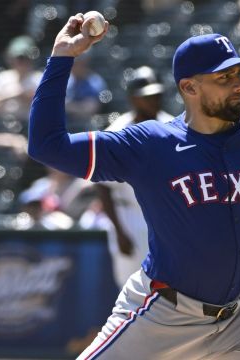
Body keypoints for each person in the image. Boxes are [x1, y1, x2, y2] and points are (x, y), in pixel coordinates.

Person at [28, 14, 240, 359]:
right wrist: (62, 57)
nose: (238, 84)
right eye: (224, 77)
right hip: (163, 314)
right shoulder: (150, 144)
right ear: (189, 88)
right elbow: (46, 146)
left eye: (238, 74)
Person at [95, 65, 173, 287]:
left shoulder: (174, 127)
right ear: (133, 99)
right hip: (129, 215)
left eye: (157, 95)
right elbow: (102, 186)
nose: (154, 101)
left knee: (169, 288)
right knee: (130, 288)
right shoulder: (116, 133)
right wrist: (119, 230)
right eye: (147, 97)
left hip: (165, 215)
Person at [0, 35, 43, 124]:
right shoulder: (1, 78)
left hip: (31, 127)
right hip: (1, 126)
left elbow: (48, 107)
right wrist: (11, 96)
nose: (20, 62)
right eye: (18, 58)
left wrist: (25, 98)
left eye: (24, 58)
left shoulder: (40, 79)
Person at [65, 54, 108, 129]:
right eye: (73, 64)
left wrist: (71, 107)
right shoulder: (66, 81)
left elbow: (91, 109)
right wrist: (80, 107)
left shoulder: (95, 81)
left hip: (90, 125)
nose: (74, 67)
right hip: (67, 125)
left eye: (78, 64)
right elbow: (61, 105)